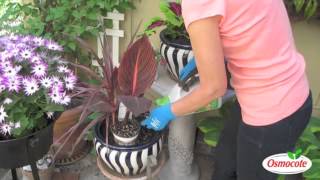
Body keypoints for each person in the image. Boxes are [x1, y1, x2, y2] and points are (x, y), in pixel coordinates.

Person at [141, 0, 313, 180]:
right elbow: (246, 22)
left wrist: (168, 112)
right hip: (290, 97)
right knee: (226, 158)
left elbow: (214, 88)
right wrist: (204, 59)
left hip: (271, 113)